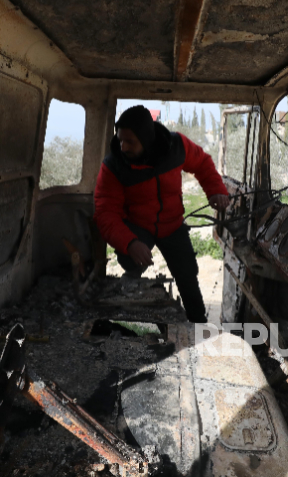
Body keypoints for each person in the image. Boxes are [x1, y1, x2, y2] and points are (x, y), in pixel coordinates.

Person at [94, 105, 230, 323]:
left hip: (172, 224)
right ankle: (127, 288)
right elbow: (105, 212)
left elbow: (202, 163)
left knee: (187, 275)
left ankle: (198, 324)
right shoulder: (113, 165)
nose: (123, 147)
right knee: (129, 258)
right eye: (120, 140)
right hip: (138, 226)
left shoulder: (176, 146)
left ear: (146, 139)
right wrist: (130, 243)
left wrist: (216, 191)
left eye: (129, 141)